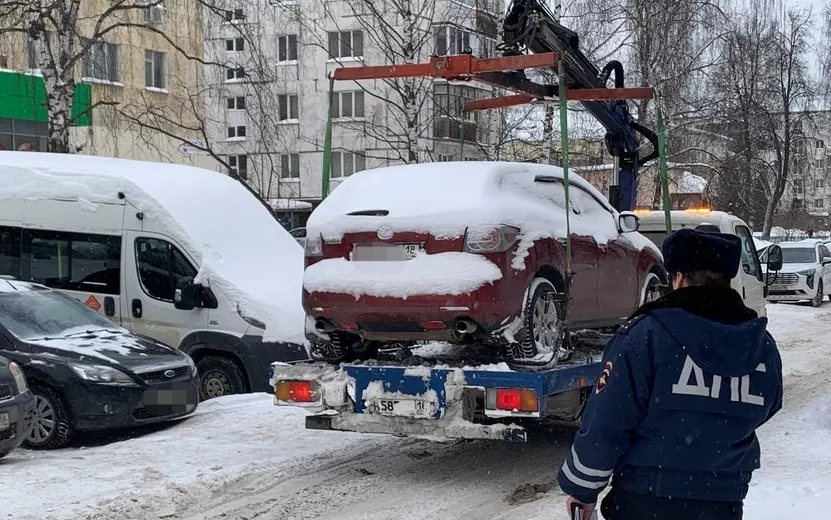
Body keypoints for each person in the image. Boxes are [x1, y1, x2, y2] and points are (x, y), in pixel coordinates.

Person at [558, 228, 783, 520]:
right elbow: (769, 405)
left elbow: (606, 423)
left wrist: (581, 489)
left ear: (678, 278)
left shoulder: (647, 336)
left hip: (646, 501)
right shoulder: (760, 345)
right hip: (723, 502)